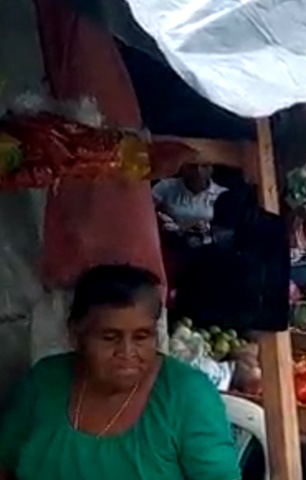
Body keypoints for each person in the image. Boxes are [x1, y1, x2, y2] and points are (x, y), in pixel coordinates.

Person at [0, 265, 240, 480]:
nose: (127, 352)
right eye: (109, 337)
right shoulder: (45, 381)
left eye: (142, 336)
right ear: (76, 335)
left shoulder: (188, 396)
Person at [152, 162, 228, 236]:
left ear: (211, 168)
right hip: (170, 240)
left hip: (207, 243)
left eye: (204, 166)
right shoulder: (165, 186)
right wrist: (159, 219)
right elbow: (145, 212)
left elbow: (226, 230)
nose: (198, 170)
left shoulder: (223, 194)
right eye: (193, 166)